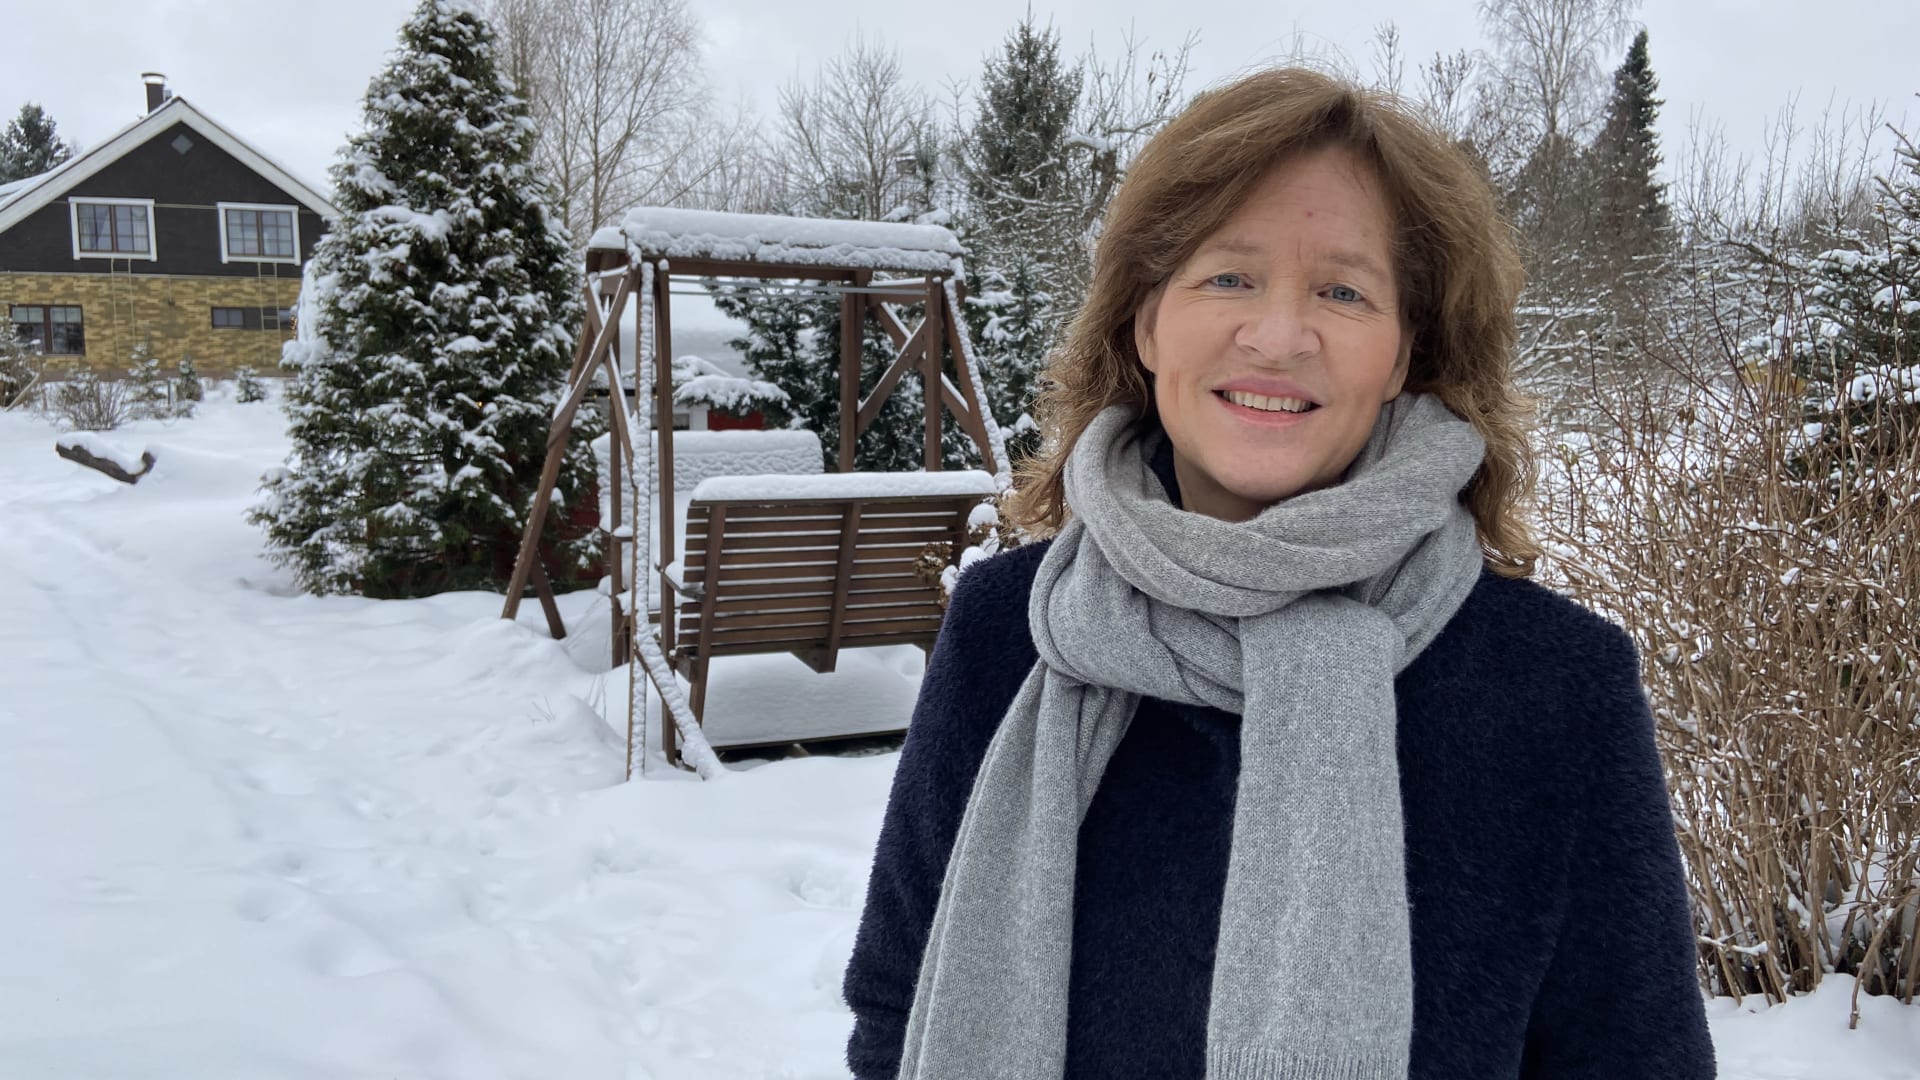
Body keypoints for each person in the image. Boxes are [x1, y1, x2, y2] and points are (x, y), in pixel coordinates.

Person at [841, 67, 1714, 1080]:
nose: (1278, 336)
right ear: (1145, 321)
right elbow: (898, 1006)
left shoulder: (1557, 687)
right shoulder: (1011, 628)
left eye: (1343, 292)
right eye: (1228, 277)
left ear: (1402, 356)